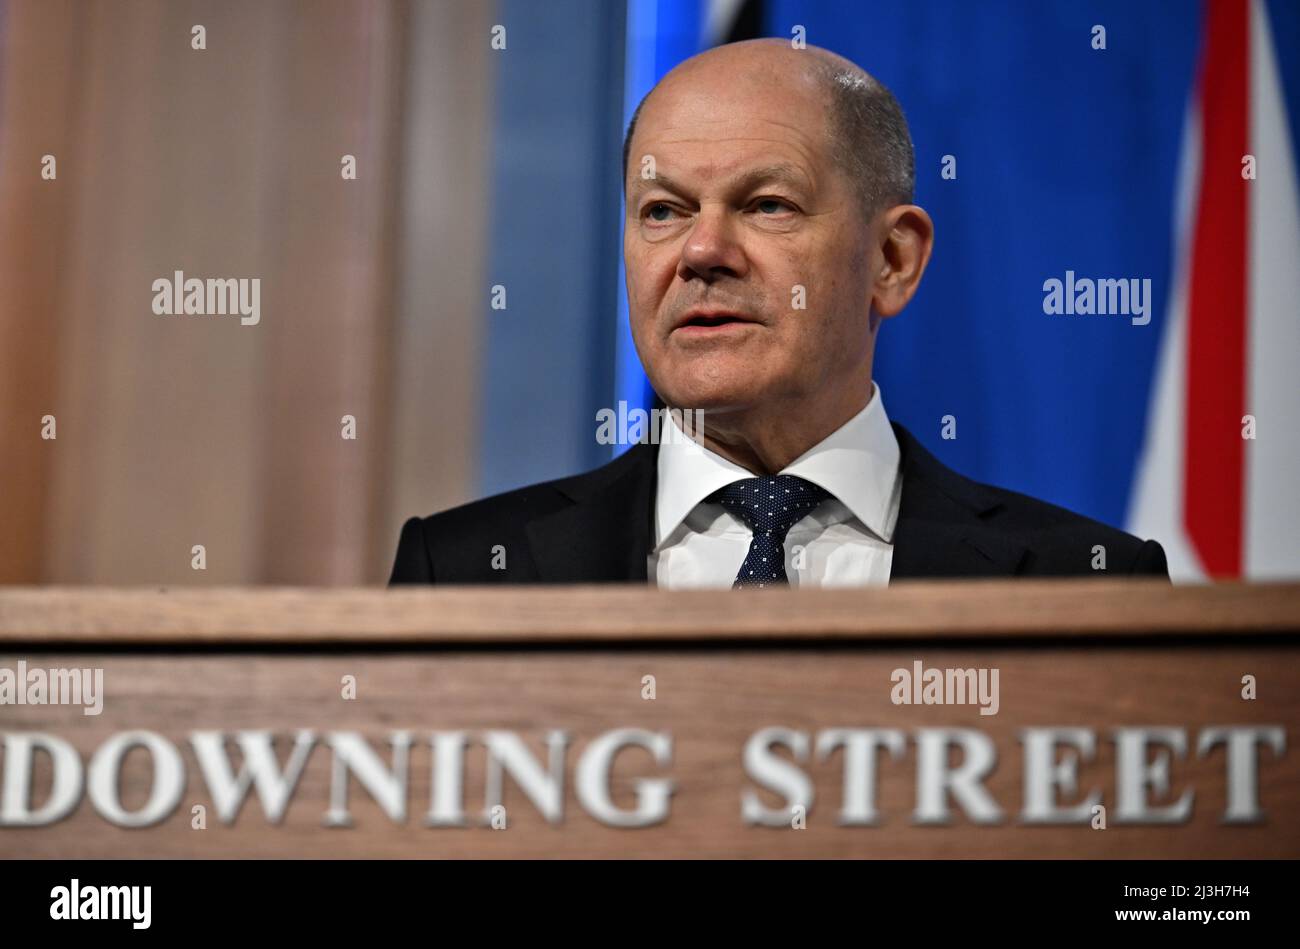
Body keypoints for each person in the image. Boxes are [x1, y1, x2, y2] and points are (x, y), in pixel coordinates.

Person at [390, 39, 1168, 587]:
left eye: (767, 205)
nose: (700, 252)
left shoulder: (1086, 583)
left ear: (893, 260)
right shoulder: (462, 571)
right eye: (663, 211)